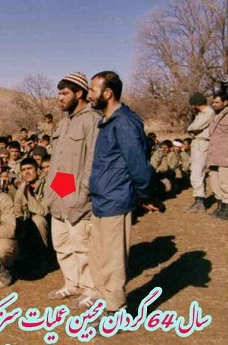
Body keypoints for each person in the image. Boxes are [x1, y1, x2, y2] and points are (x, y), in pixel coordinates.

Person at [87, 71, 153, 316]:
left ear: (108, 93)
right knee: (99, 258)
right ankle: (104, 304)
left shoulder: (124, 122)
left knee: (113, 261)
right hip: (101, 201)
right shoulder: (108, 122)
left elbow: (138, 165)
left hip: (115, 200)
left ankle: (115, 311)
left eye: (92, 90)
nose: (89, 95)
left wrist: (144, 195)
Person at [45, 72, 101, 309]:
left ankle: (90, 289)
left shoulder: (92, 120)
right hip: (59, 189)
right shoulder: (64, 122)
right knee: (61, 243)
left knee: (82, 245)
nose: (60, 98)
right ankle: (72, 283)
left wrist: (83, 193)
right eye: (59, 93)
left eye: (65, 93)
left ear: (79, 93)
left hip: (78, 190)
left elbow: (93, 161)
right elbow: (56, 162)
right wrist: (49, 192)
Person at [186, 93, 215, 212]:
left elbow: (194, 127)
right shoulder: (202, 113)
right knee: (196, 171)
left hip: (201, 143)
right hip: (198, 143)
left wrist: (190, 129)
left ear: (195, 104)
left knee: (196, 172)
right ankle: (199, 199)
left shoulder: (208, 113)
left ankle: (199, 201)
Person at [207, 92, 228, 220]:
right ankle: (221, 207)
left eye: (217, 102)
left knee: (225, 183)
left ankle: (227, 209)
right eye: (213, 102)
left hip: (225, 155)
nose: (214, 105)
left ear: (225, 102)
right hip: (214, 155)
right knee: (215, 182)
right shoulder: (215, 115)